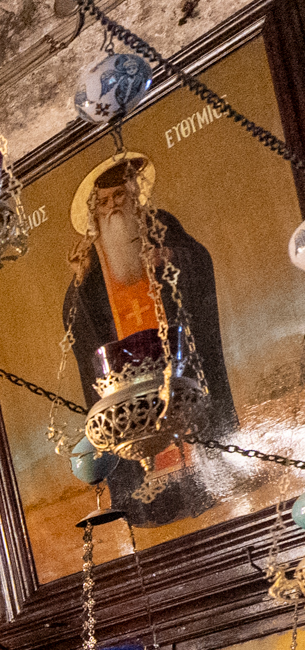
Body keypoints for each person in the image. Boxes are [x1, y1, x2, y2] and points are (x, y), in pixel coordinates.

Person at [61, 152, 235, 521]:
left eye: (118, 197)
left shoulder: (160, 225)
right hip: (127, 373)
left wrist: (170, 257)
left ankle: (207, 482)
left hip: (175, 355)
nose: (111, 208)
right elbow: (78, 322)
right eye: (103, 202)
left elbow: (198, 260)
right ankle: (146, 504)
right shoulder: (92, 255)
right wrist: (78, 283)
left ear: (133, 192)